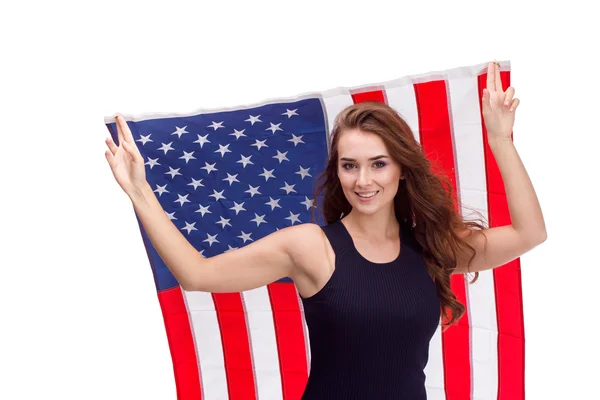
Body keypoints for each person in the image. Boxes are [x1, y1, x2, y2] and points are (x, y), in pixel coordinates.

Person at [104, 61, 546, 399]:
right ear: (337, 171)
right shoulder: (311, 247)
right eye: (349, 165)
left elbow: (530, 233)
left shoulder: (431, 249)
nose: (363, 180)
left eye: (378, 164)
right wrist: (139, 191)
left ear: (402, 171)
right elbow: (196, 275)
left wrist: (501, 142)